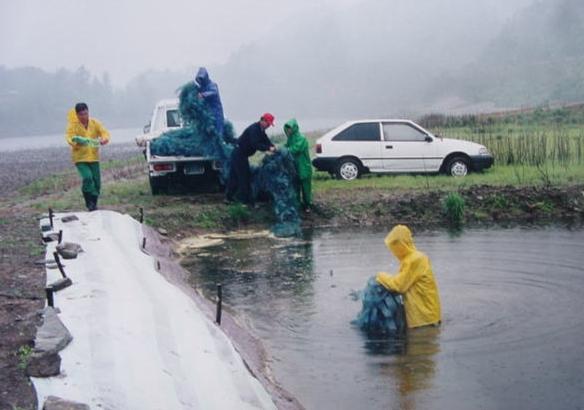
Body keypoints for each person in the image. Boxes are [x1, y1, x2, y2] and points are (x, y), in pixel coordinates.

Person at [376, 225, 441, 328]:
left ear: (402, 243)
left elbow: (399, 285)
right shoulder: (412, 258)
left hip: (424, 320)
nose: (393, 249)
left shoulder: (415, 260)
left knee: (419, 343)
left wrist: (380, 276)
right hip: (425, 317)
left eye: (395, 244)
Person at [65, 102, 110, 211]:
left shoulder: (95, 123)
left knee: (97, 183)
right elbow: (69, 138)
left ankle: (93, 205)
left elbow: (104, 133)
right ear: (77, 115)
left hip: (94, 157)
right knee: (87, 178)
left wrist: (104, 139)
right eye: (81, 115)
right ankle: (88, 200)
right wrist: (76, 141)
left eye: (85, 114)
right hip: (80, 158)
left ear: (88, 112)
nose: (84, 117)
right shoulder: (73, 125)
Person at [225, 113, 276, 206]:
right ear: (262, 120)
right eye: (268, 123)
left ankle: (229, 198)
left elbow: (266, 141)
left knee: (234, 176)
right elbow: (255, 144)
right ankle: (244, 202)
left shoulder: (261, 131)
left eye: (270, 124)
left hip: (240, 154)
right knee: (244, 176)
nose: (269, 126)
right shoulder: (254, 129)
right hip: (239, 153)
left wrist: (272, 146)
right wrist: (268, 148)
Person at [284, 119, 313, 212]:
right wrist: (279, 149)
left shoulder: (302, 139)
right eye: (287, 128)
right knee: (295, 186)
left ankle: (307, 205)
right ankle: (297, 205)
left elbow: (294, 149)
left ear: (294, 128)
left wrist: (283, 151)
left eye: (289, 128)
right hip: (294, 167)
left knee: (305, 188)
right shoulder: (290, 139)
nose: (288, 130)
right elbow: (286, 146)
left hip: (304, 167)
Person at [195, 67, 225, 137]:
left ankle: (219, 142)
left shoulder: (212, 85)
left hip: (216, 111)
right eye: (199, 79)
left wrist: (203, 95)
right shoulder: (202, 87)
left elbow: (213, 92)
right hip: (208, 112)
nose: (200, 81)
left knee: (218, 130)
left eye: (201, 79)